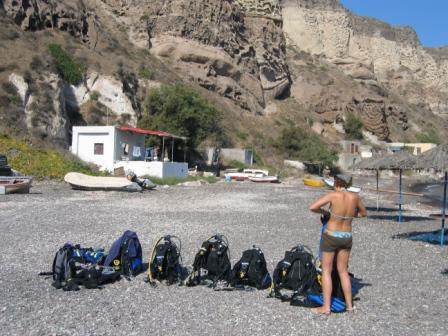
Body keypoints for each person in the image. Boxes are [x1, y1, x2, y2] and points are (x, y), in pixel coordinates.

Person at [308, 174, 367, 314]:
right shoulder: (355, 197)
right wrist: (349, 216)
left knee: (327, 271)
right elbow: (363, 213)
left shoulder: (333, 195)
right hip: (347, 236)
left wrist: (326, 213)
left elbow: (313, 207)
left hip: (331, 235)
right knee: (343, 271)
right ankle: (350, 306)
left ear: (337, 182)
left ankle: (326, 307)